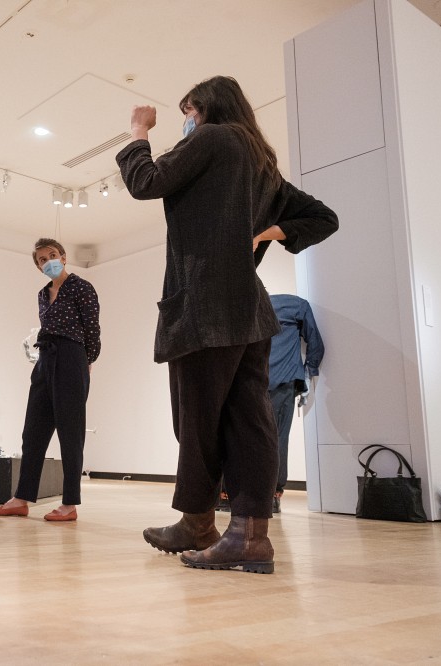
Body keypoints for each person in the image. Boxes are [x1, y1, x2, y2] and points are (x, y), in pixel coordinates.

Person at [116, 76, 338, 572]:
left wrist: (138, 130)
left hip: (205, 308)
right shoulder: (262, 163)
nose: (186, 119)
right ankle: (248, 535)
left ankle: (198, 522)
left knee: (196, 420)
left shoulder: (213, 139)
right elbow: (324, 217)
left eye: (188, 109)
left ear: (206, 107)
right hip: (250, 313)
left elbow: (145, 182)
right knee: (249, 422)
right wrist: (270, 230)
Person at [0, 239, 100, 522]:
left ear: (63, 257)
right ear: (38, 266)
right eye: (41, 259)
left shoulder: (81, 287)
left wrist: (87, 362)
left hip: (72, 358)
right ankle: (21, 498)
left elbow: (92, 329)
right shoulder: (42, 294)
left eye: (52, 255)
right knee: (32, 432)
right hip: (44, 358)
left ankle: (70, 504)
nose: (47, 260)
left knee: (70, 434)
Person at [267, 293, 324, 513]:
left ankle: (229, 494)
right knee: (278, 437)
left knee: (245, 439)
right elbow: (316, 342)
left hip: (252, 381)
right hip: (282, 380)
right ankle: (273, 494)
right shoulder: (296, 305)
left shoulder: (249, 303)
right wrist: (310, 371)